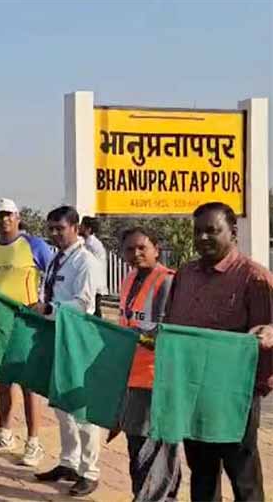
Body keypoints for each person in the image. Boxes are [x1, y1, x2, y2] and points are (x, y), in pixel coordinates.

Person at [164, 202, 273, 502]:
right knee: (201, 471)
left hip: (234, 395)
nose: (202, 238)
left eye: (212, 231)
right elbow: (172, 323)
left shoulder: (254, 277)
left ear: (233, 233)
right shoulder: (185, 274)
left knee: (243, 475)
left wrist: (255, 391)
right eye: (197, 231)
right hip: (192, 390)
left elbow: (267, 336)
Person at [0, 198, 52, 466]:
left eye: (8, 215)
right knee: (3, 381)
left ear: (17, 217)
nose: (4, 220)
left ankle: (34, 443)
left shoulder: (34, 245)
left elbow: (53, 274)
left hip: (25, 324)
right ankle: (5, 435)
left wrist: (45, 307)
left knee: (29, 385)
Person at [33, 206, 102, 497]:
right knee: (61, 404)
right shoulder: (56, 259)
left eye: (60, 228)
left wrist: (50, 309)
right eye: (50, 229)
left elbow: (84, 303)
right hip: (55, 334)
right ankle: (68, 462)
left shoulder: (85, 261)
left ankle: (90, 471)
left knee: (81, 406)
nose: (54, 234)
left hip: (78, 337)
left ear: (75, 227)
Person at [112, 226, 180, 502]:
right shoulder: (129, 279)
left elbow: (166, 332)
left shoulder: (167, 281)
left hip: (158, 378)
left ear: (156, 249)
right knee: (139, 446)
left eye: (142, 248)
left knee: (156, 448)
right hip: (132, 376)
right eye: (130, 249)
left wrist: (138, 338)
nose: (136, 253)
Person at [80, 216, 108, 317]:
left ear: (88, 229)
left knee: (93, 312)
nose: (79, 228)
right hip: (92, 283)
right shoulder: (88, 243)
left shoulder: (92, 245)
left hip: (95, 284)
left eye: (82, 226)